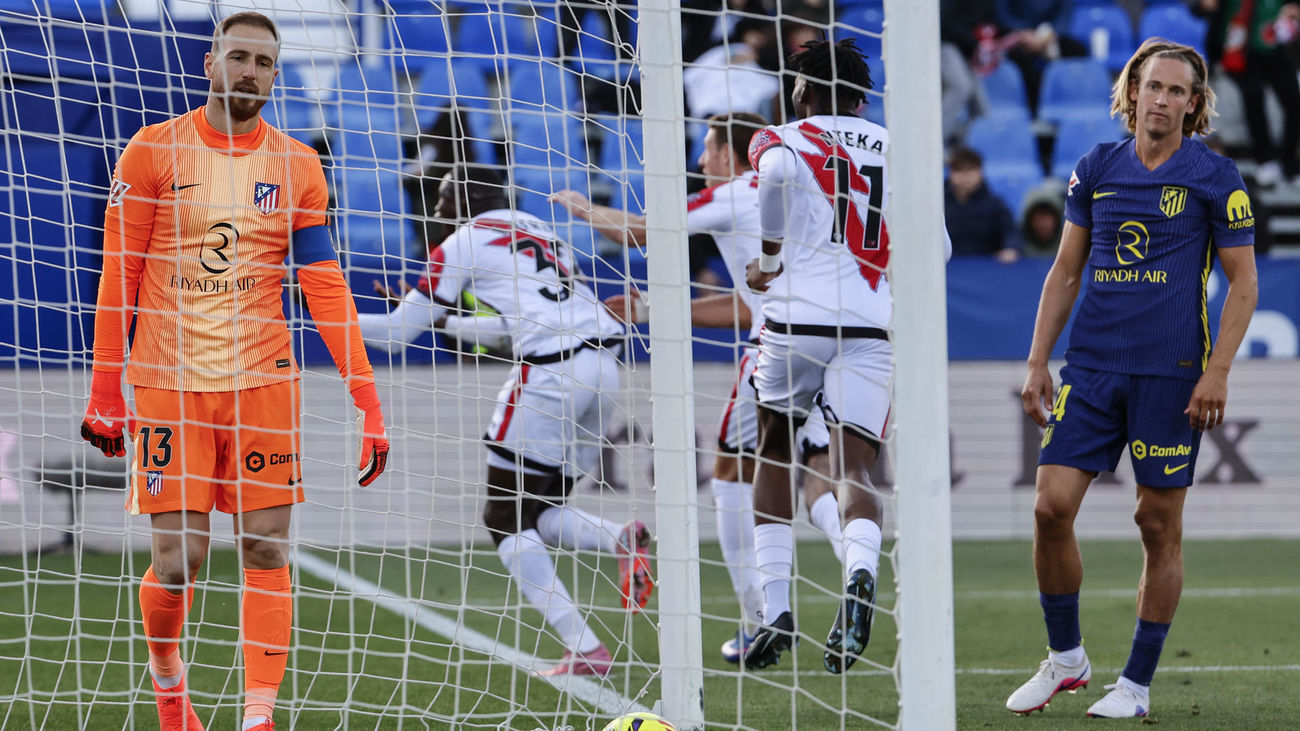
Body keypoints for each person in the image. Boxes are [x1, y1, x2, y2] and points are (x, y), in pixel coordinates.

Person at [78, 13, 390, 731]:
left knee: (264, 543)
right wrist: (105, 394)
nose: (250, 70)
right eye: (239, 56)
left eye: (264, 62)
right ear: (210, 63)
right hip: (168, 382)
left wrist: (368, 402)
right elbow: (118, 275)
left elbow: (325, 285)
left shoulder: (298, 165)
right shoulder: (152, 150)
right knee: (180, 557)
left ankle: (258, 717)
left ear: (276, 77)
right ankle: (169, 690)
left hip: (262, 382)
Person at [1007, 39, 1257, 718]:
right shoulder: (1096, 169)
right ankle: (1066, 660)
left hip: (1172, 375)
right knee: (1049, 507)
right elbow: (1064, 271)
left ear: (1194, 103)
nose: (1165, 100)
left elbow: (1244, 283)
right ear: (1133, 91)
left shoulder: (1216, 177)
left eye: (1179, 91)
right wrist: (1037, 360)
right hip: (1091, 368)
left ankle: (1137, 684)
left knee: (1156, 523)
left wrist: (1219, 370)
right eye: (1155, 87)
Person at [551, 112, 847, 664]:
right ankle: (856, 561)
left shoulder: (739, 190)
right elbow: (743, 302)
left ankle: (761, 616)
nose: (700, 161)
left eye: (709, 148)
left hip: (776, 348)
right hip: (840, 339)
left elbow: (639, 230)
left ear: (735, 154)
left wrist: (580, 204)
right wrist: (654, 309)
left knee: (733, 470)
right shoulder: (798, 196)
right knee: (821, 476)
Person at [357, 164, 651, 677]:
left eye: (444, 198)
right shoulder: (535, 227)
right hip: (604, 370)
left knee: (502, 518)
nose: (437, 210)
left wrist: (320, 312)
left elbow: (395, 336)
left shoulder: (460, 243)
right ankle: (618, 537)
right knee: (537, 511)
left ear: (466, 199)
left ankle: (585, 648)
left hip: (552, 374)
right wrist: (445, 318)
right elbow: (510, 327)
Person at [743, 38, 915, 675]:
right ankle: (861, 576)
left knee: (774, 447)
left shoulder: (782, 136)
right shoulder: (901, 147)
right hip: (873, 321)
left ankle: (778, 612)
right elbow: (943, 248)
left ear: (803, 90)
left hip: (797, 314)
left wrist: (767, 260)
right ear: (863, 96)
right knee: (853, 465)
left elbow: (778, 177)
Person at [1193, 0, 1300, 187]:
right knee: (1253, 95)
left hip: (1276, 52)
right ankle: (1265, 160)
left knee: (1294, 100)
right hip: (1239, 52)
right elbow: (1201, 9)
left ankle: (1290, 165)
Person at [945, 146, 1023, 262]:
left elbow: (1010, 232)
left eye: (970, 169)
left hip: (985, 269)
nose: (965, 176)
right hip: (947, 267)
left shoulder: (995, 204)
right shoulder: (939, 206)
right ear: (951, 174)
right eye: (960, 170)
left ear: (980, 173)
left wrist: (1011, 248)